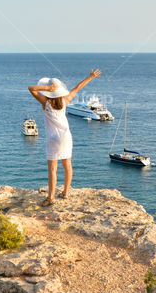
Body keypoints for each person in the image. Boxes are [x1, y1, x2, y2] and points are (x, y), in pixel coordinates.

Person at [29, 69, 102, 205]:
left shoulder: (45, 102)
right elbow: (78, 87)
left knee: (52, 169)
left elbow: (31, 88)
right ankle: (65, 193)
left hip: (53, 139)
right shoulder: (65, 100)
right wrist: (90, 77)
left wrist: (47, 88)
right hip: (66, 136)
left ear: (49, 91)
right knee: (67, 165)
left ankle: (51, 198)